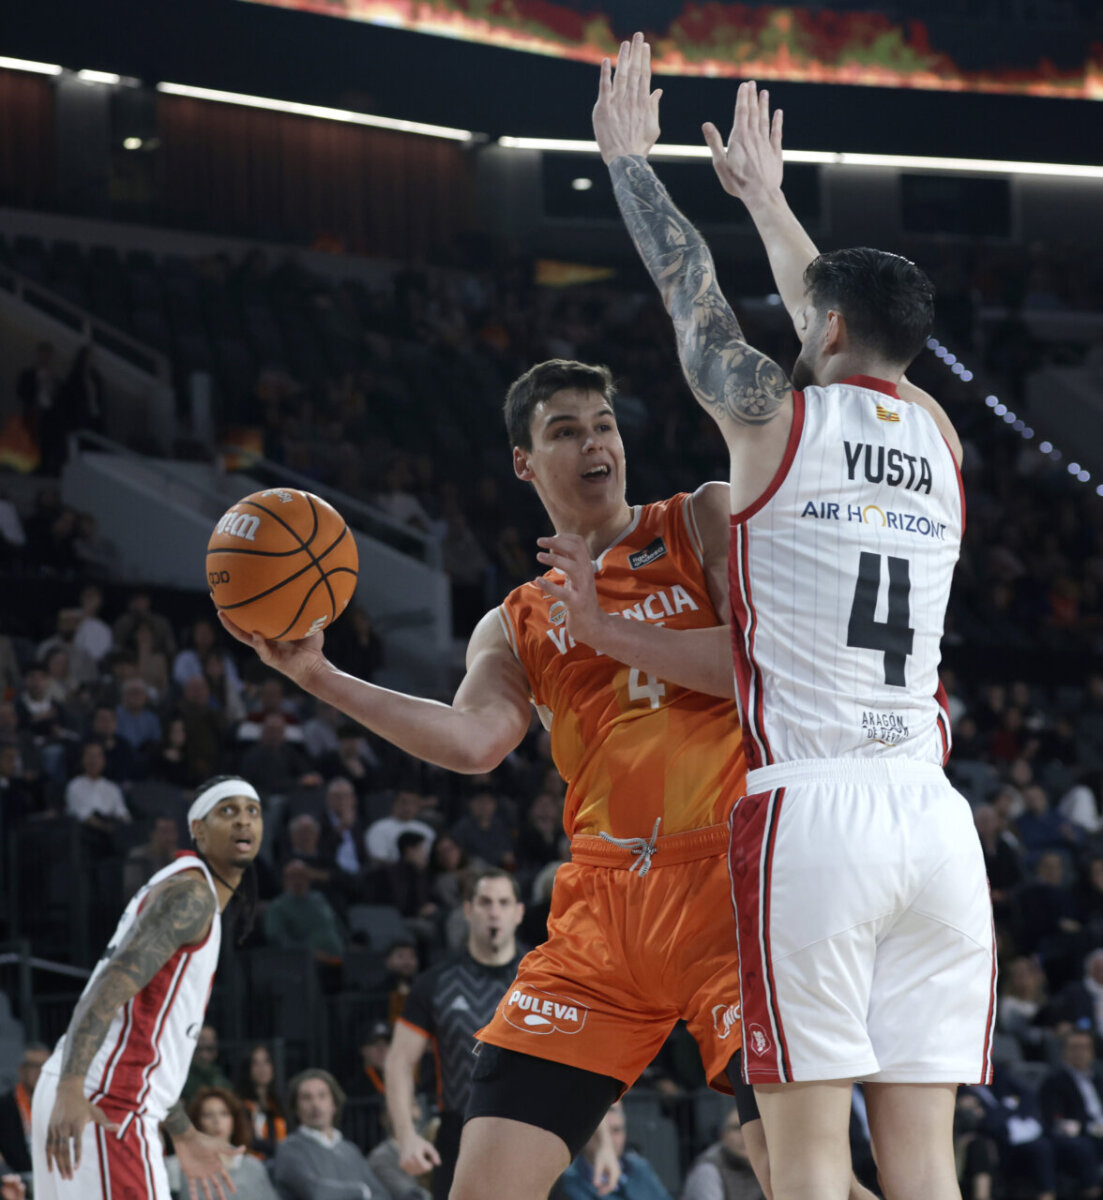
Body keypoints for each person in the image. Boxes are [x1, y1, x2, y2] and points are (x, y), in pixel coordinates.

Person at [219, 349, 774, 1200]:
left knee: (796, 1177)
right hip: (601, 912)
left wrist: (609, 629)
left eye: (604, 425)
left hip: (727, 891)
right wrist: (318, 678)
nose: (596, 444)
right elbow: (476, 742)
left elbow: (767, 659)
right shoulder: (513, 622)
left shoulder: (699, 519)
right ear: (524, 461)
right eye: (565, 430)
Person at [591, 39, 994, 1200]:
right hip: (932, 823)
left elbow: (690, 295)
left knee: (806, 1162)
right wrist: (769, 201)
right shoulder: (939, 438)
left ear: (817, 333)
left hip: (814, 817)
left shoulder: (771, 427)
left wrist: (630, 165)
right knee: (923, 1170)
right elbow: (853, 325)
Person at [32, 774, 263, 1200]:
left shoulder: (185, 889)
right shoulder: (191, 897)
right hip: (102, 1102)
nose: (243, 822)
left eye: (252, 811)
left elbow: (146, 1043)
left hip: (98, 1092)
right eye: (226, 811)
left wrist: (184, 1133)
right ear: (197, 829)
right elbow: (109, 986)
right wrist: (72, 1087)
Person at [384, 870, 524, 1200]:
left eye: (504, 903)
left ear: (518, 913)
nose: (494, 912)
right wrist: (406, 1137)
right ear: (467, 910)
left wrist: (601, 1144)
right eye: (485, 902)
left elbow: (580, 1062)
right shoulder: (436, 983)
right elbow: (398, 1062)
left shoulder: (545, 980)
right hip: (460, 1136)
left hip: (532, 1136)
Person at [271, 1069, 392, 1200]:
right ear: (295, 1108)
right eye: (307, 1098)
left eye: (322, 1096)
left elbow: (382, 1195)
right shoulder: (289, 1150)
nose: (315, 1104)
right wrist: (362, 1191)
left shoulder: (350, 1150)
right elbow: (317, 1193)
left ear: (334, 1104)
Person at [166, 1088, 278, 1200]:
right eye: (208, 1115)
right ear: (197, 1123)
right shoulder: (180, 1167)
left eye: (224, 1114)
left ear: (234, 1121)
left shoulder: (253, 1166)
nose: (217, 1121)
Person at [560, 1102, 671, 1200]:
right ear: (586, 1135)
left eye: (616, 1130)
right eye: (605, 1133)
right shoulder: (567, 1177)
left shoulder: (640, 1166)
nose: (611, 1140)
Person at [681, 1108, 764, 1200]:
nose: (745, 1135)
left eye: (752, 1128)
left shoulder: (765, 1163)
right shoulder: (709, 1169)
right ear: (724, 1135)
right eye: (737, 1128)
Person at [0, 1044, 49, 1175]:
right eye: (34, 1066)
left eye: (45, 1066)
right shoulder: (4, 1106)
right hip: (16, 1179)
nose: (40, 1071)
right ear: (21, 1070)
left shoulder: (56, 1105)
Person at [234, 1043, 287, 1160]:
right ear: (247, 1068)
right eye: (256, 1063)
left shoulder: (279, 1102)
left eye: (266, 1062)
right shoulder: (241, 1104)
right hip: (254, 1163)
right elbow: (247, 1140)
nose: (262, 1068)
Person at [123, 815, 180, 898]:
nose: (170, 837)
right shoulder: (138, 857)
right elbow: (132, 891)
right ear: (152, 834)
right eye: (165, 832)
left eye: (173, 832)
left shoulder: (181, 858)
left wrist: (175, 862)